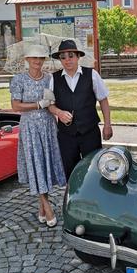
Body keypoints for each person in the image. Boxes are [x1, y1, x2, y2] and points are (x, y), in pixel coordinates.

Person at [9, 44, 67, 227]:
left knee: (45, 165)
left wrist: (50, 104)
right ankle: (47, 207)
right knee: (36, 166)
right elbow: (16, 106)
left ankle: (41, 208)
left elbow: (51, 101)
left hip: (48, 127)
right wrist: (38, 104)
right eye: (34, 58)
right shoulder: (18, 80)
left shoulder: (49, 78)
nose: (37, 61)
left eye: (41, 58)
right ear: (27, 59)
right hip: (30, 128)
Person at [47, 39, 113, 178]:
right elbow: (49, 104)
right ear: (60, 60)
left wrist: (107, 125)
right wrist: (59, 112)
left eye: (71, 55)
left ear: (78, 57)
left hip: (90, 132)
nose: (67, 60)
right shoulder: (53, 78)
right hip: (66, 135)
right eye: (63, 57)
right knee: (70, 170)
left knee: (94, 168)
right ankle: (73, 198)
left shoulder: (92, 75)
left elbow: (103, 100)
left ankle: (94, 197)